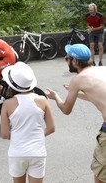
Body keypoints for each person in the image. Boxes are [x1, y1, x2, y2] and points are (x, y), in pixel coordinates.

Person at [46, 44, 106, 183]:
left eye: (67, 58)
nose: (65, 60)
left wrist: (55, 97)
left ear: (75, 61)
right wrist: (77, 93)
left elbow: (66, 109)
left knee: (100, 174)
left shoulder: (78, 79)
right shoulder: (102, 69)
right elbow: (98, 95)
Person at [1, 62, 55, 183]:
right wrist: (35, 135)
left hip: (17, 152)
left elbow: (4, 134)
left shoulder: (7, 104)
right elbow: (51, 128)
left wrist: (20, 136)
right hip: (38, 152)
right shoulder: (42, 100)